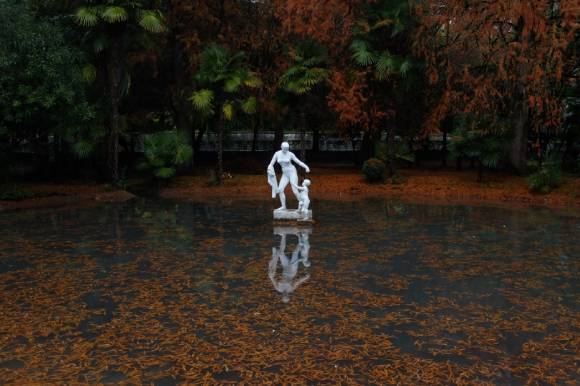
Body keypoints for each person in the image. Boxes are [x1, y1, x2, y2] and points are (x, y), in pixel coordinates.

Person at [267, 142, 310, 210]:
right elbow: (271, 163)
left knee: (295, 190)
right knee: (280, 190)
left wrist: (306, 167)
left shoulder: (290, 154)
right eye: (284, 148)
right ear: (281, 147)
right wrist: (269, 169)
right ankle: (283, 206)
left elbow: (298, 162)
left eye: (287, 148)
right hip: (285, 174)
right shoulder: (277, 154)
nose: (285, 150)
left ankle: (302, 202)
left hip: (292, 172)